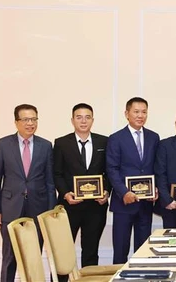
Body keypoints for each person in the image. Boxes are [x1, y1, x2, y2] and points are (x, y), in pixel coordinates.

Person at [0, 104, 57, 282]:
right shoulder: (2, 145)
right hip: (10, 207)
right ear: (16, 122)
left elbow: (50, 181)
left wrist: (50, 211)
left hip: (38, 209)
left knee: (33, 257)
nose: (31, 123)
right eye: (26, 119)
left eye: (34, 119)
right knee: (9, 257)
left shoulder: (45, 146)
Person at [53, 103, 111, 270]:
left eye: (87, 117)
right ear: (72, 120)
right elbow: (57, 173)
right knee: (63, 252)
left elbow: (110, 172)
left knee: (91, 252)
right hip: (69, 207)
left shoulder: (104, 142)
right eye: (79, 117)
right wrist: (65, 194)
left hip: (96, 207)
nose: (83, 121)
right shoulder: (61, 143)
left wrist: (106, 191)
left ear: (93, 120)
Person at [106, 97, 160, 264]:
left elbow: (156, 167)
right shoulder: (116, 138)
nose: (140, 115)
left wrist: (155, 189)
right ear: (127, 113)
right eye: (136, 112)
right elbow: (112, 169)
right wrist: (124, 192)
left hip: (145, 204)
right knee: (120, 249)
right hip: (124, 203)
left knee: (143, 250)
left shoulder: (154, 137)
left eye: (144, 112)